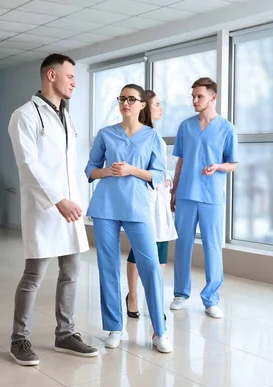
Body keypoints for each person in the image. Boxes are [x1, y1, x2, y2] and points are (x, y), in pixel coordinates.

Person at [7, 53, 98, 366]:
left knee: (71, 272)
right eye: (70, 76)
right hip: (45, 208)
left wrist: (72, 198)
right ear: (50, 75)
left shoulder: (66, 116)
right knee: (34, 276)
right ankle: (19, 340)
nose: (74, 81)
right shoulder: (25, 115)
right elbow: (29, 165)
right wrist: (57, 199)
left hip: (69, 208)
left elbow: (66, 165)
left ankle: (65, 334)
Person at [85, 84, 173, 353]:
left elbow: (158, 175)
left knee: (150, 266)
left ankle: (160, 332)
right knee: (107, 267)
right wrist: (109, 171)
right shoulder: (106, 134)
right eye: (122, 99)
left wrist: (133, 170)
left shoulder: (152, 138)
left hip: (137, 207)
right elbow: (90, 170)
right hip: (105, 207)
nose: (125, 103)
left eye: (131, 99)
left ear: (142, 105)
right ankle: (114, 327)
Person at [169, 77, 238, 319]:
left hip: (211, 197)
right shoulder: (185, 127)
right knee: (183, 246)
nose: (195, 100)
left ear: (213, 97)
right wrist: (174, 190)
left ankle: (211, 298)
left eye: (199, 96)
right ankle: (180, 293)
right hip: (187, 194)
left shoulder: (227, 129)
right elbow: (181, 160)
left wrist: (218, 167)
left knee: (212, 248)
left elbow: (233, 164)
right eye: (193, 96)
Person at [125, 90, 177, 320]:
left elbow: (160, 170)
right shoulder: (137, 137)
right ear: (145, 106)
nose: (160, 108)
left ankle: (155, 300)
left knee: (161, 249)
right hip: (144, 199)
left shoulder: (158, 140)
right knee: (140, 250)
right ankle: (133, 296)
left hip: (160, 200)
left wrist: (166, 179)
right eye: (157, 104)